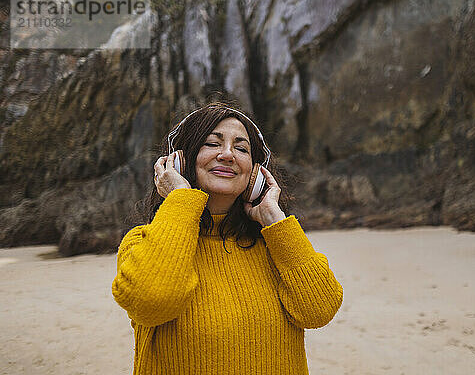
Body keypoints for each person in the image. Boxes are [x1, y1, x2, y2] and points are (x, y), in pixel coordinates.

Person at [112, 100, 343, 375]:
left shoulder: (276, 246)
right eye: (212, 143)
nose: (228, 154)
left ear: (256, 173)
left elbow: (320, 309)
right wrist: (180, 199)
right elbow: (153, 301)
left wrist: (274, 218)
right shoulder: (141, 243)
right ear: (179, 161)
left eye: (241, 148)